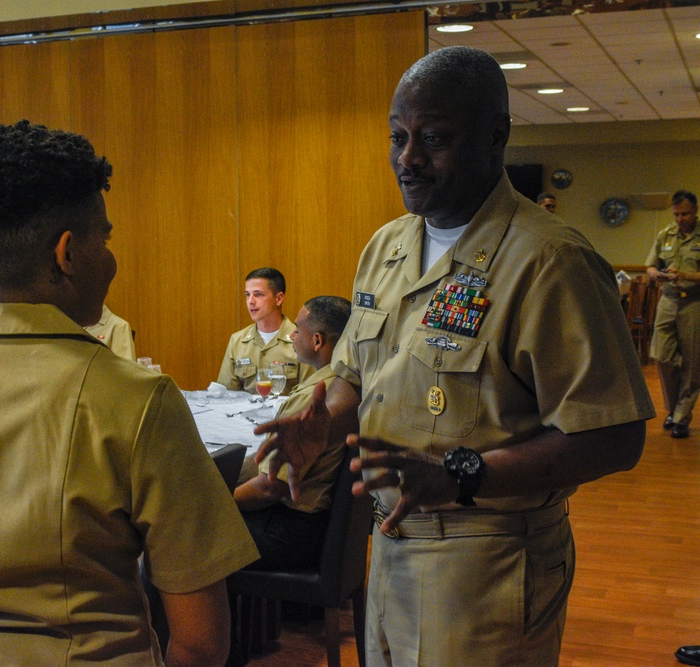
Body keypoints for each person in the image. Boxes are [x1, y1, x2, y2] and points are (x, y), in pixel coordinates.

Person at [254, 46, 653, 666]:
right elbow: (356, 374)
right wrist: (323, 421)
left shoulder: (549, 262)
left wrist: (464, 472)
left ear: (497, 136)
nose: (408, 160)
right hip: (390, 542)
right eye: (398, 137)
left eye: (434, 138)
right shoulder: (387, 245)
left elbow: (615, 434)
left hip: (486, 558)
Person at [0, 120, 258, 666]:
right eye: (106, 238)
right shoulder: (139, 401)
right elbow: (200, 640)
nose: (112, 257)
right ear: (67, 253)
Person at [233, 295, 350, 570]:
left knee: (188, 534)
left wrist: (216, 503)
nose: (292, 335)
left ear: (318, 341)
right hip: (318, 527)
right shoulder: (343, 384)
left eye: (297, 329)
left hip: (291, 533)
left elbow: (269, 489)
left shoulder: (314, 398)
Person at [645, 190, 700, 439]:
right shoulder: (664, 235)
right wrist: (653, 272)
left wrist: (686, 275)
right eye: (677, 214)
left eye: (685, 213)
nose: (681, 219)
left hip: (693, 304)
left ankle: (681, 418)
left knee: (692, 363)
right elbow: (650, 264)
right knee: (663, 357)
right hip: (667, 302)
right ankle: (672, 409)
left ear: (695, 211)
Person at [216, 267, 311, 395]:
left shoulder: (302, 339)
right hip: (243, 414)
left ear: (279, 299)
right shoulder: (237, 340)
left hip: (285, 414)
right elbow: (226, 395)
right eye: (247, 295)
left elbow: (308, 396)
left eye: (258, 294)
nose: (250, 301)